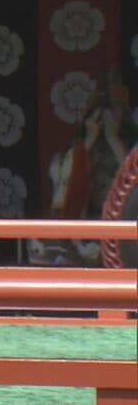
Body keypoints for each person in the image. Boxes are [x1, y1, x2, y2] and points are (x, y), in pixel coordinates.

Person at [30, 72, 137, 266]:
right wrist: (89, 140)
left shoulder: (131, 145)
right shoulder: (79, 147)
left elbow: (132, 181)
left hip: (123, 221)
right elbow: (66, 189)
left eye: (114, 110)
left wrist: (114, 140)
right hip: (85, 219)